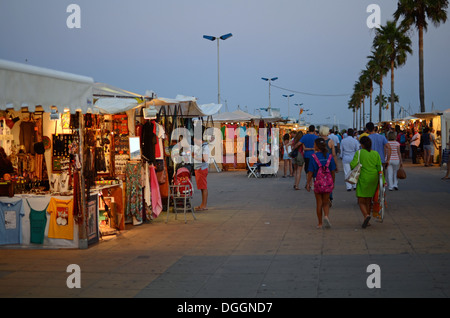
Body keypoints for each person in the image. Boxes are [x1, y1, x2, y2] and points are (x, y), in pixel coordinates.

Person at [350, 136, 383, 229]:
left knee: (361, 200)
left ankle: (366, 215)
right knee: (368, 200)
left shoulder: (359, 153)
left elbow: (353, 165)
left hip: (363, 178)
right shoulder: (375, 154)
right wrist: (383, 181)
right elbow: (379, 168)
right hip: (374, 178)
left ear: (362, 144)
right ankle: (367, 218)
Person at [306, 138, 336, 229]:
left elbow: (310, 171)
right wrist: (332, 182)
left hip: (318, 182)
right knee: (326, 202)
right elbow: (333, 171)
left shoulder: (313, 157)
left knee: (319, 202)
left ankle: (320, 223)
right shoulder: (329, 156)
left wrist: (308, 183)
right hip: (327, 183)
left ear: (317, 146)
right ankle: (326, 216)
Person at [193, 129, 210, 211]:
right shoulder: (200, 146)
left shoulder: (204, 147)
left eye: (195, 140)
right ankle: (202, 204)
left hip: (201, 168)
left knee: (204, 187)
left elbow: (205, 159)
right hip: (199, 168)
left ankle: (204, 205)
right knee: (202, 187)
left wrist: (195, 157)